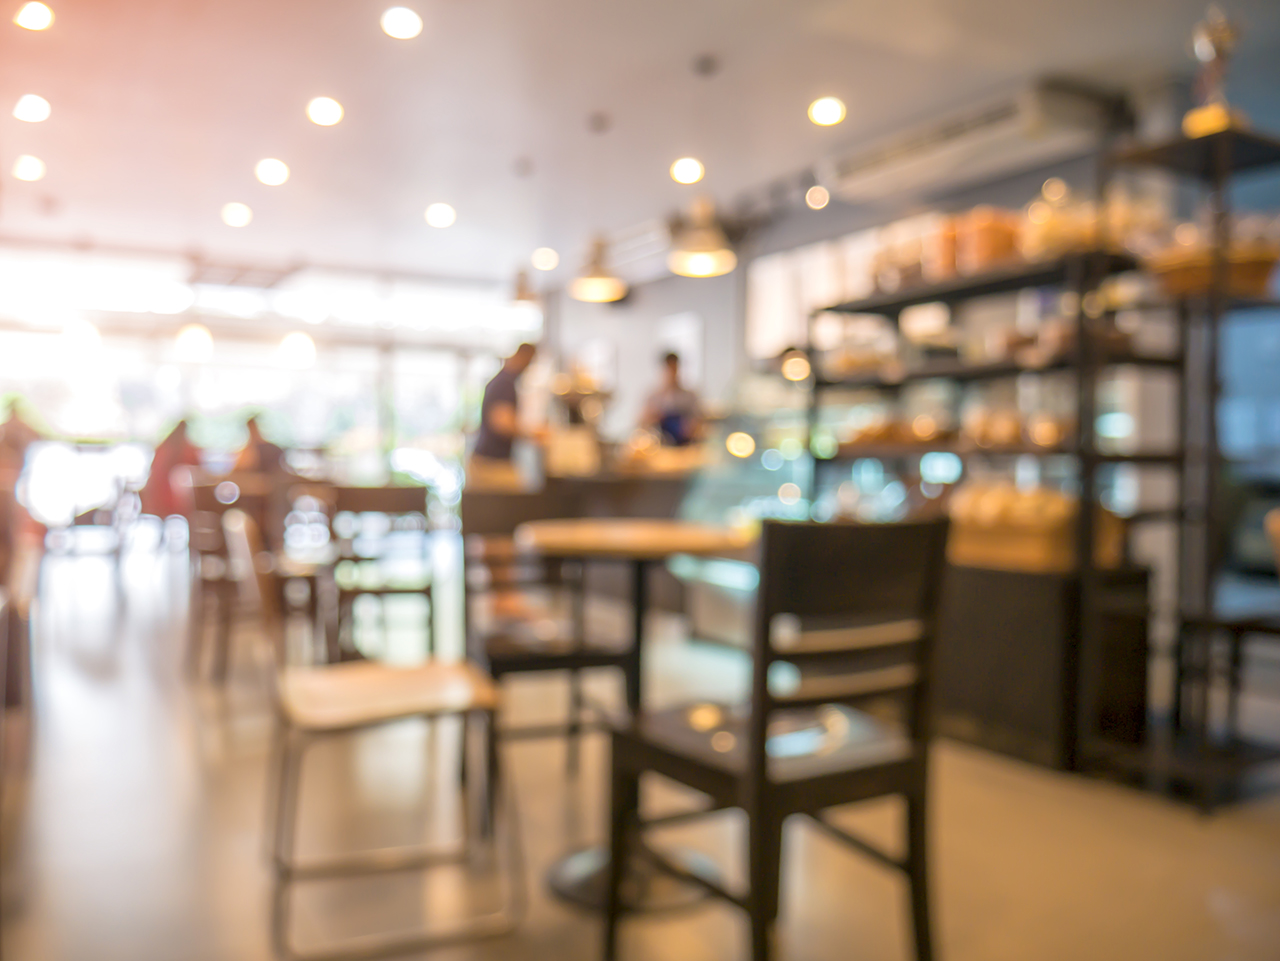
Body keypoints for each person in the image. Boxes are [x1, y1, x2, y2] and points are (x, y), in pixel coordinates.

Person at [469, 343, 540, 489]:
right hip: (492, 464)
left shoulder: (501, 380)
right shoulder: (505, 383)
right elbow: (502, 423)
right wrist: (532, 435)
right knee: (515, 506)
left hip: (487, 460)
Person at [139, 419, 202, 521]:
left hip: (152, 495)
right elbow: (197, 462)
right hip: (162, 496)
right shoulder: (176, 448)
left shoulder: (164, 447)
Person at [641, 352, 703, 446]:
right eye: (669, 369)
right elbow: (641, 424)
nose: (672, 373)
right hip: (661, 447)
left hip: (686, 446)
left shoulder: (690, 396)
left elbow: (700, 421)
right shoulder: (653, 398)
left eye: (674, 369)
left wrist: (692, 427)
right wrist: (652, 418)